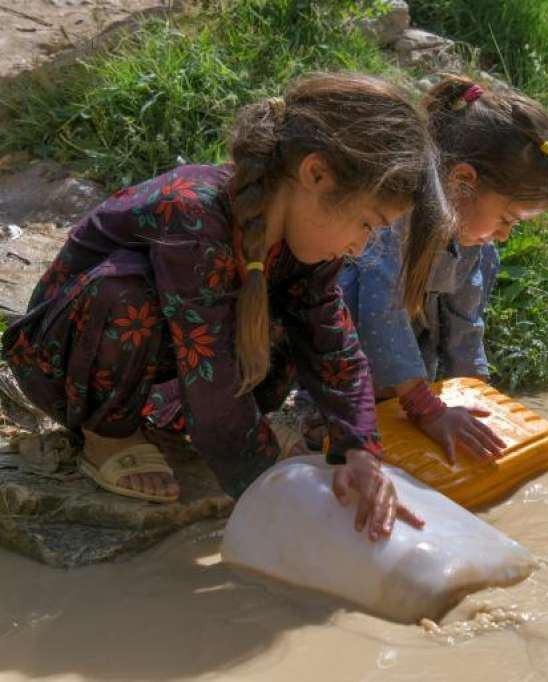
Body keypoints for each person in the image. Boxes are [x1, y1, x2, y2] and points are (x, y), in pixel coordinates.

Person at [2, 73, 450, 541]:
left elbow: (332, 343)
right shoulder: (194, 213)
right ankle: (107, 434)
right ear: (315, 174)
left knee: (286, 318)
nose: (362, 246)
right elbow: (210, 368)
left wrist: (359, 449)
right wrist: (266, 487)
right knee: (126, 296)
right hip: (68, 361)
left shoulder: (308, 246)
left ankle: (177, 427)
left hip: (165, 365)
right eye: (366, 223)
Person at [332, 75, 548, 463]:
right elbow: (380, 313)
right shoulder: (396, 215)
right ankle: (319, 416)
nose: (505, 235)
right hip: (341, 348)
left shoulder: (476, 242)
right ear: (462, 182)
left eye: (515, 225)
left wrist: (480, 398)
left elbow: (464, 324)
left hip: (396, 365)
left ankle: (398, 397)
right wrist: (427, 409)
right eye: (506, 218)